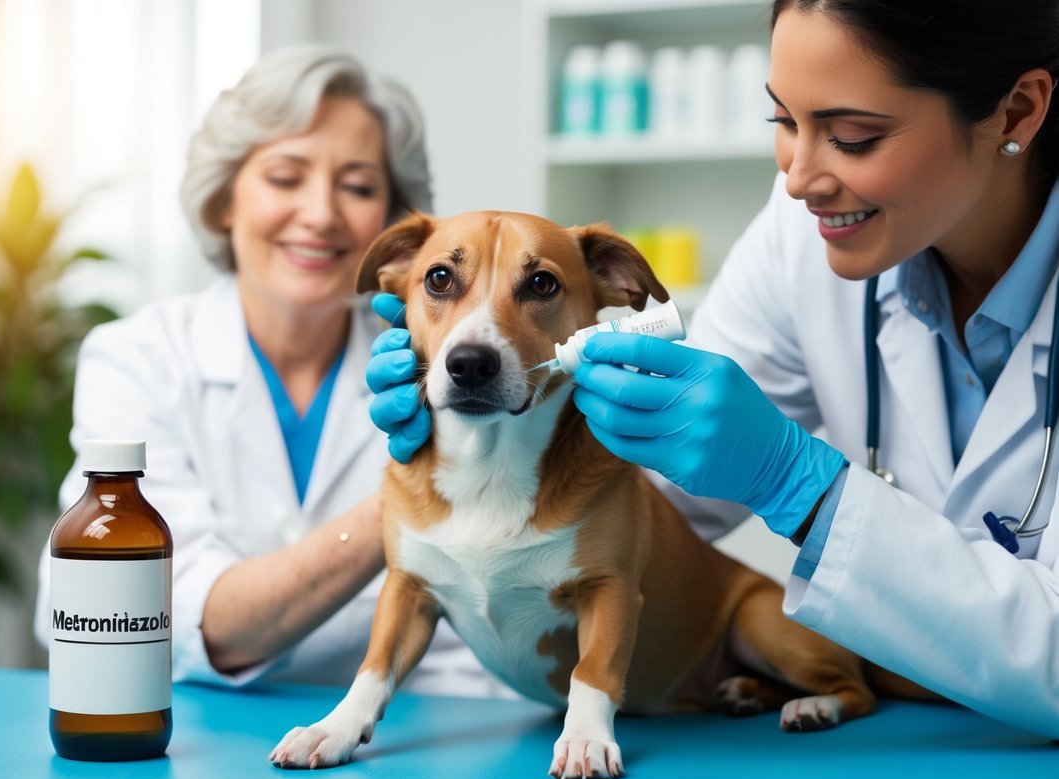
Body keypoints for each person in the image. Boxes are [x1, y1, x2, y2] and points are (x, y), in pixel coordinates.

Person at [367, 0, 1059, 737]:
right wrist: (478, 453)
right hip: (907, 724)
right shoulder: (799, 236)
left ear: (1015, 112)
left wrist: (801, 487)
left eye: (852, 137)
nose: (797, 179)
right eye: (783, 123)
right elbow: (653, 503)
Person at [34, 45, 499, 697]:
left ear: (394, 227)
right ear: (225, 201)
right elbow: (170, 612)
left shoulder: (456, 367)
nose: (320, 214)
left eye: (359, 186)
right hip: (197, 731)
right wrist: (411, 499)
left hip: (426, 722)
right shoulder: (138, 359)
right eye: (285, 177)